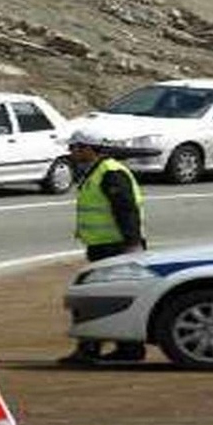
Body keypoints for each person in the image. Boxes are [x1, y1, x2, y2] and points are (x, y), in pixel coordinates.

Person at [58, 129, 149, 365]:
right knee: (109, 296)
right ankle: (126, 349)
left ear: (89, 148)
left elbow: (126, 209)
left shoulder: (110, 173)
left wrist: (132, 245)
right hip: (104, 246)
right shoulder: (97, 171)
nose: (72, 152)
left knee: (97, 298)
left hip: (117, 247)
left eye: (75, 147)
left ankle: (92, 349)